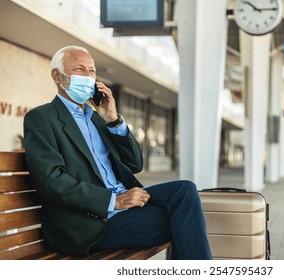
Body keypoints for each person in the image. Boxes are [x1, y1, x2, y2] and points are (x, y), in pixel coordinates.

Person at [23, 45, 212, 260]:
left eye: (92, 71)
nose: (88, 76)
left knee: (185, 190)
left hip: (125, 207)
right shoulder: (42, 118)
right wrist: (114, 201)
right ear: (57, 75)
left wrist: (114, 120)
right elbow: (51, 181)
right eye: (79, 69)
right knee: (184, 221)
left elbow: (135, 164)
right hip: (90, 222)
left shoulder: (97, 118)